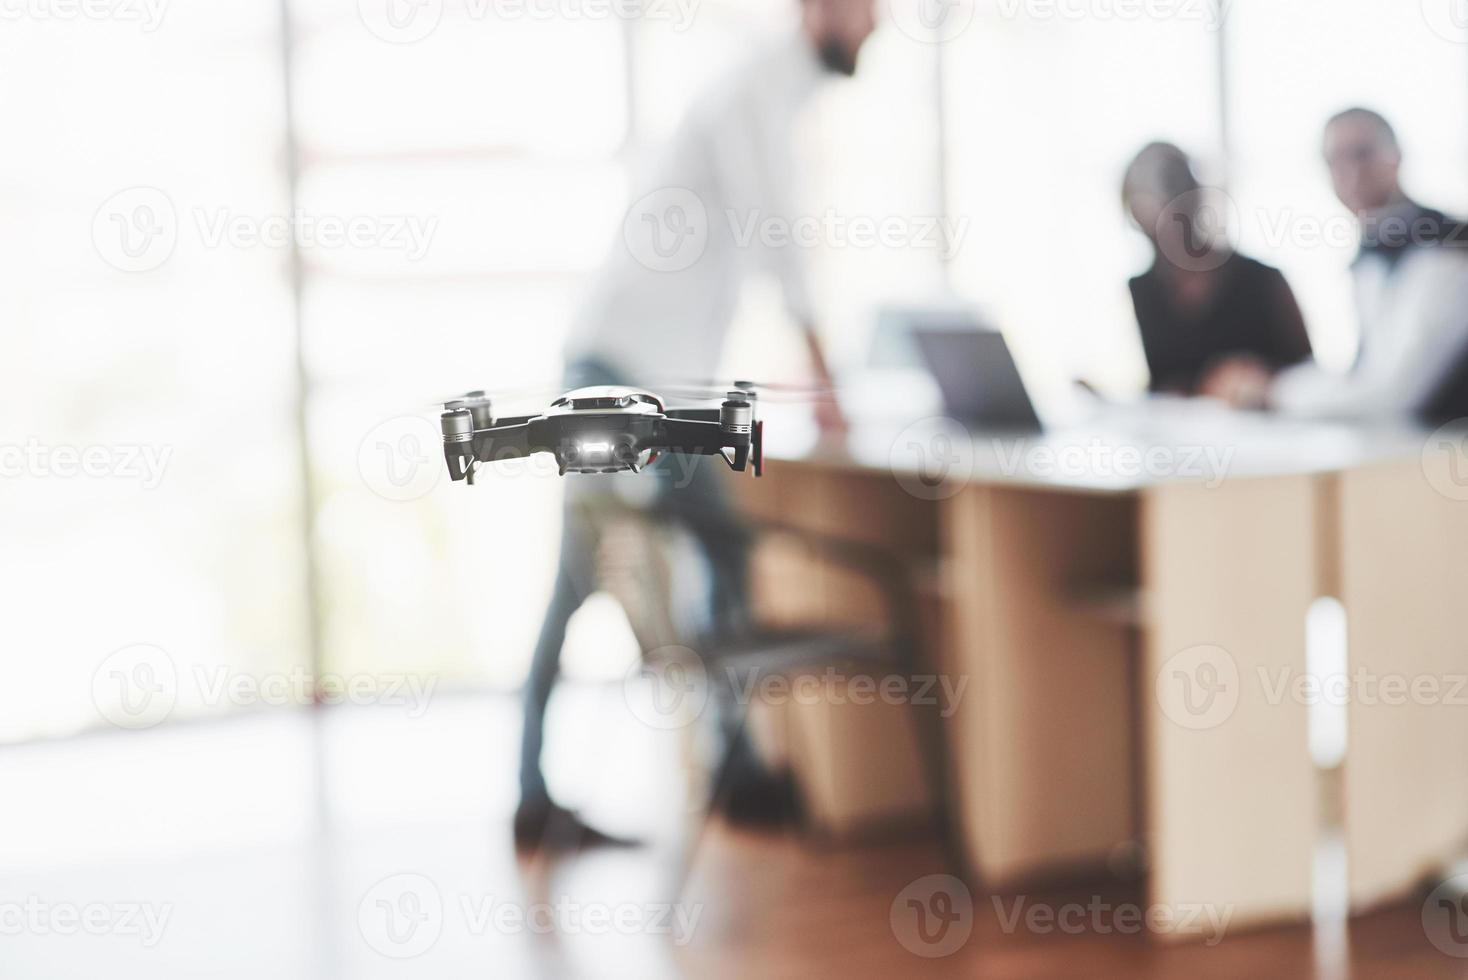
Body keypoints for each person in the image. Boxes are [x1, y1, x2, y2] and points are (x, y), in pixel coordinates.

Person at [514, 0, 877, 850]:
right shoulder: (755, 90)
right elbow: (776, 240)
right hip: (629, 386)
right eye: (865, 10)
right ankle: (732, 767)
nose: (877, 26)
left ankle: (552, 792)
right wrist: (825, 375)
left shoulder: (763, 94)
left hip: (627, 377)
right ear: (820, 10)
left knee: (598, 578)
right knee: (709, 551)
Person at [1207, 109, 1468, 419]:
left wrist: (1272, 391)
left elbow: (1392, 396)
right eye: (1335, 159)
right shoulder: (1369, 255)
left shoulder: (1446, 252)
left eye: (1362, 153)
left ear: (1395, 156)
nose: (1350, 171)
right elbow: (1366, 376)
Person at [1121, 142, 1314, 398]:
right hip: (1183, 434)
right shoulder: (1142, 291)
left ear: (1197, 194)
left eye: (1175, 187)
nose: (1165, 208)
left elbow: (1311, 374)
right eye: (1148, 195)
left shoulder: (1262, 280)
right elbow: (1161, 385)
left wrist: (1265, 382)